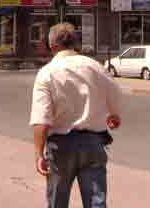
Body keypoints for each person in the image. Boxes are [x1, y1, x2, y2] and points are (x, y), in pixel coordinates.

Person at [30, 23, 123, 208]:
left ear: (52, 46)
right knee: (96, 202)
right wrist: (114, 115)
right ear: (76, 44)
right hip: (93, 144)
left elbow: (41, 119)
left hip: (60, 146)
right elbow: (115, 94)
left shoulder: (47, 73)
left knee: (58, 201)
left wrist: (39, 154)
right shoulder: (95, 66)